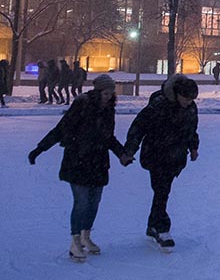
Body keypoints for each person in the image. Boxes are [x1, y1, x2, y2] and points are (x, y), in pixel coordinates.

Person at [27, 74, 132, 261]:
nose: (109, 96)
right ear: (97, 91)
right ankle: (75, 241)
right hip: (78, 160)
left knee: (94, 202)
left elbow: (109, 137)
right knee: (81, 202)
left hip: (98, 162)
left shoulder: (109, 110)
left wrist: (122, 154)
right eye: (106, 93)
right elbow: (61, 129)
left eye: (111, 93)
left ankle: (86, 236)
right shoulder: (82, 105)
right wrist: (39, 149)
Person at [123, 74, 199, 249]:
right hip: (156, 154)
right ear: (178, 94)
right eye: (186, 98)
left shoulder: (190, 107)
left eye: (191, 99)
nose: (189, 102)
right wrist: (129, 150)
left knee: (162, 191)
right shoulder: (159, 105)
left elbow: (192, 129)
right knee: (161, 191)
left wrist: (193, 147)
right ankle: (162, 229)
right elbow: (139, 127)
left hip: (176, 156)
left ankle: (152, 226)